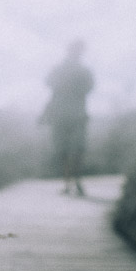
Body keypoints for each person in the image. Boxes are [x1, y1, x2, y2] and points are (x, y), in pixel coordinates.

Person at [40, 39, 94, 196]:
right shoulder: (60, 69)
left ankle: (75, 181)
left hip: (75, 115)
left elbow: (89, 87)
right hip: (63, 115)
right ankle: (69, 182)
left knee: (76, 149)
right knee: (64, 150)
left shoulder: (83, 71)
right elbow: (49, 82)